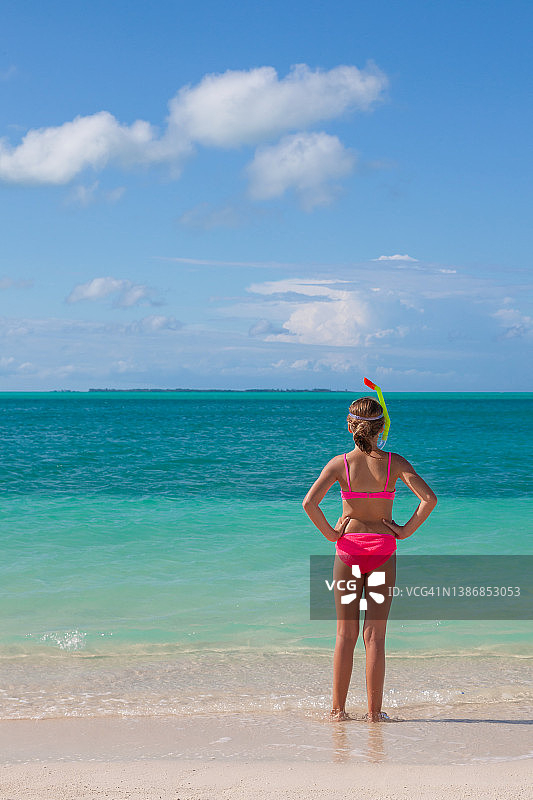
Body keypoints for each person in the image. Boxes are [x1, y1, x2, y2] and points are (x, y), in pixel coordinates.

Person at [302, 395, 437, 722]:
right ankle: (374, 715)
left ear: (350, 427)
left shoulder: (340, 464)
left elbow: (309, 504)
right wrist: (404, 531)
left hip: (348, 553)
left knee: (345, 635)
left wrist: (332, 535)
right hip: (382, 554)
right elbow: (429, 499)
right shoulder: (394, 463)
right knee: (374, 636)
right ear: (382, 428)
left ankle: (337, 712)